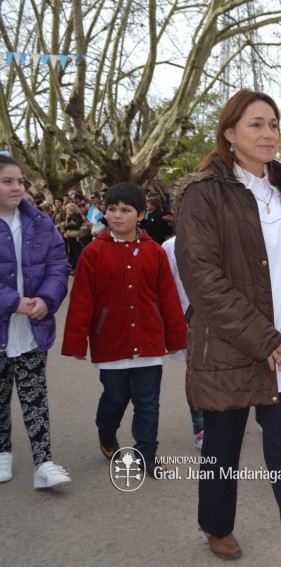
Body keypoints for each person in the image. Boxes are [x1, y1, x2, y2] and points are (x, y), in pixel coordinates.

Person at [173, 89, 281, 564]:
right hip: (230, 349)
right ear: (229, 133)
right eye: (256, 124)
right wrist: (267, 341)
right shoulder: (203, 195)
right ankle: (216, 524)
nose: (269, 134)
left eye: (274, 124)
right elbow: (204, 280)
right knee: (221, 449)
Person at [62, 182, 187, 470]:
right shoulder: (93, 253)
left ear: (140, 214)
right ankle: (106, 430)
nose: (117, 215)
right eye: (112, 209)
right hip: (111, 341)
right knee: (115, 397)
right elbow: (82, 301)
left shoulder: (155, 252)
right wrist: (77, 343)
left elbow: (168, 299)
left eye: (126, 210)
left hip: (149, 341)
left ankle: (147, 454)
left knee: (148, 402)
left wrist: (176, 338)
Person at [0, 155, 72, 489]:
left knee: (35, 396)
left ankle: (43, 462)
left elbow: (59, 264)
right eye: (7, 182)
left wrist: (46, 299)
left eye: (20, 181)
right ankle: (2, 454)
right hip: (4, 325)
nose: (17, 188)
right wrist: (12, 302)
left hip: (32, 328)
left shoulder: (40, 222)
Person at [160, 232, 205, 450]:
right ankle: (201, 427)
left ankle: (221, 424)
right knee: (198, 375)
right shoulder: (171, 246)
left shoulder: (224, 237)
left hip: (223, 322)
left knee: (223, 374)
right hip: (190, 324)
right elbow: (163, 286)